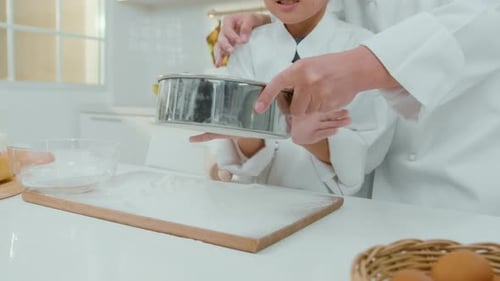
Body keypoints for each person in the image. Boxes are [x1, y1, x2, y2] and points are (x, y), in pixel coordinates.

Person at [213, 1, 500, 216]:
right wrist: (275, 26)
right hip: (377, 197)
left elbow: (485, 18)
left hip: (462, 180)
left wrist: (366, 63)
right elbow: (331, 20)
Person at [191, 0, 396, 196]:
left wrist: (314, 140)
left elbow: (366, 153)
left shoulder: (363, 49)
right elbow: (246, 158)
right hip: (254, 204)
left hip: (336, 211)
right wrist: (243, 131)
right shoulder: (249, 45)